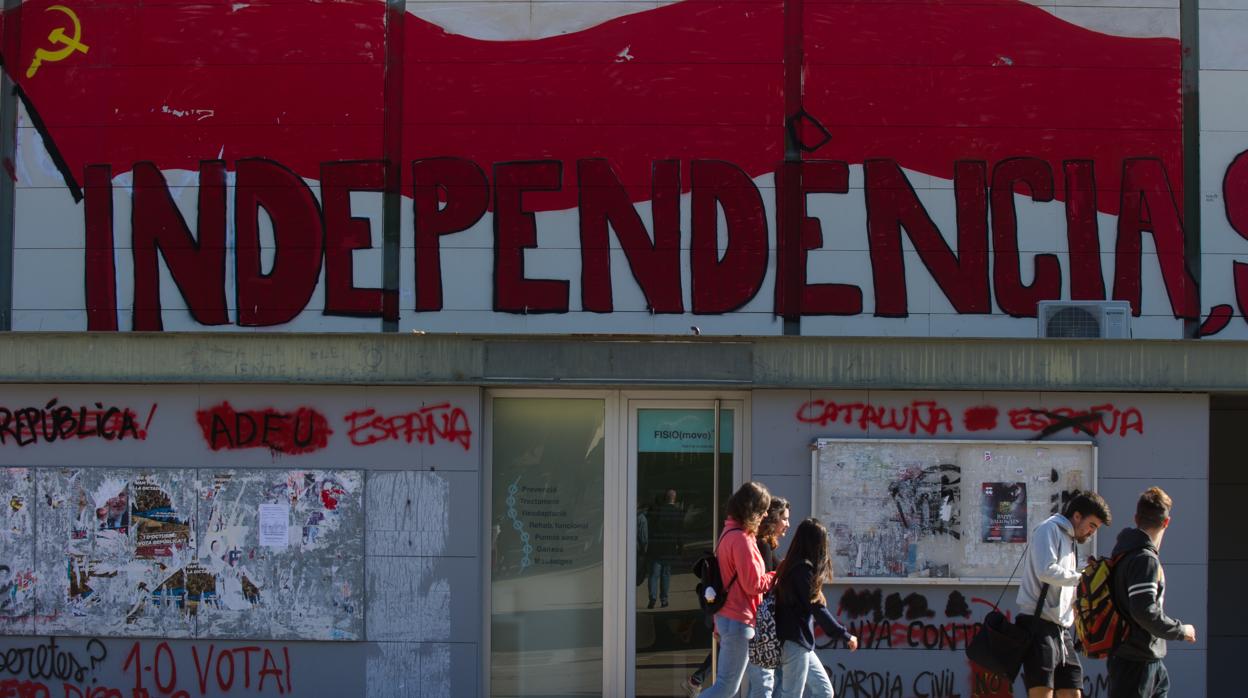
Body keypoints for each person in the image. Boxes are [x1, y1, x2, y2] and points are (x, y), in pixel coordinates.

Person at [1016, 491, 1112, 698]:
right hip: (1038, 624)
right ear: (1077, 516)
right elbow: (1046, 570)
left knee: (1073, 691)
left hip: (1060, 629)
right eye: (1092, 525)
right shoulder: (1048, 529)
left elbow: (1064, 585)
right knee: (1043, 693)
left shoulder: (1070, 540)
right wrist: (1082, 578)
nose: (1091, 532)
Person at [1106, 487, 1196, 698]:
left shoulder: (1123, 554)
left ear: (1136, 518)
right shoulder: (1144, 559)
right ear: (1166, 522)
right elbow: (1144, 610)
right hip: (1136, 662)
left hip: (1141, 659)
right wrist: (1181, 630)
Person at [697, 481, 776, 698]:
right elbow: (753, 585)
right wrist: (777, 575)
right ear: (752, 510)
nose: (766, 514)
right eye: (763, 509)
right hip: (739, 620)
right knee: (725, 688)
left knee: (760, 684)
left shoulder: (728, 532)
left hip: (732, 619)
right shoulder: (741, 539)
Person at [774, 518, 856, 698]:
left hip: (797, 643)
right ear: (816, 544)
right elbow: (817, 608)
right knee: (793, 695)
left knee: (824, 691)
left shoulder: (790, 566)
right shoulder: (802, 570)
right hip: (794, 642)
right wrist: (844, 635)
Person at [744, 496, 791, 697]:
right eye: (785, 518)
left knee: (764, 685)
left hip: (762, 624)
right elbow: (763, 584)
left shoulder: (765, 544)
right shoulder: (762, 545)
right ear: (772, 519)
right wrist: (784, 571)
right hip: (763, 625)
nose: (787, 524)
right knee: (764, 686)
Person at [648, 489, 684, 608]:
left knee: (654, 574)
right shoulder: (678, 513)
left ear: (665, 498)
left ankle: (652, 598)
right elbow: (680, 532)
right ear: (674, 499)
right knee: (666, 574)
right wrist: (680, 547)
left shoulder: (658, 511)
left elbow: (652, 528)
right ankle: (664, 599)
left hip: (657, 547)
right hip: (669, 547)